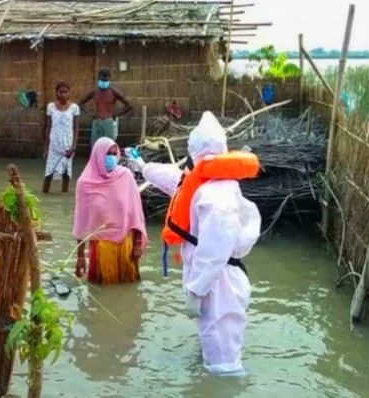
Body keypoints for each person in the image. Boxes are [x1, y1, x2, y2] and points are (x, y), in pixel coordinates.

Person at [128, 111, 261, 376]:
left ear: (196, 151)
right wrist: (142, 167)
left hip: (219, 282)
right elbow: (171, 178)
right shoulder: (199, 182)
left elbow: (215, 250)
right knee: (210, 339)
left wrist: (196, 290)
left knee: (224, 362)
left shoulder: (217, 196)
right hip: (211, 278)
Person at [73, 137, 147, 284]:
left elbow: (136, 213)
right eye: (108, 154)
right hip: (101, 246)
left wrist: (138, 245)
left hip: (126, 243)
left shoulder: (125, 176)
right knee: (103, 285)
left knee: (128, 285)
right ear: (97, 155)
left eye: (114, 154)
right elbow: (81, 223)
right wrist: (80, 256)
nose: (111, 158)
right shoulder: (85, 183)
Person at [78, 68, 133, 147]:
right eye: (102, 80)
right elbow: (81, 103)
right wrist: (90, 113)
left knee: (109, 146)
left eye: (105, 80)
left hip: (109, 122)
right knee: (95, 146)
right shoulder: (94, 92)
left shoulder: (113, 92)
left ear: (109, 80)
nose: (104, 82)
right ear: (98, 79)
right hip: (97, 122)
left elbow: (129, 105)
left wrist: (117, 114)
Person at [43, 81, 80, 193]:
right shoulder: (50, 107)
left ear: (69, 93)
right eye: (60, 92)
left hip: (67, 145)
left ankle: (64, 194)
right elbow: (48, 127)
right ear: (56, 93)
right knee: (48, 173)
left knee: (66, 173)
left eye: (65, 92)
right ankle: (45, 192)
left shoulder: (74, 108)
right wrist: (46, 148)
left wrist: (73, 146)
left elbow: (76, 128)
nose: (63, 94)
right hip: (54, 145)